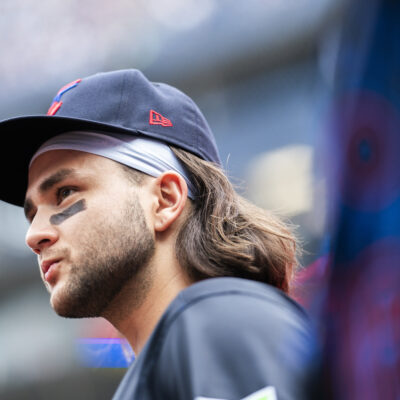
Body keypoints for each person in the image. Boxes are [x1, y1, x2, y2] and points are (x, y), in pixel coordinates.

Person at [0, 69, 317, 400]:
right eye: (32, 213)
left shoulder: (217, 321)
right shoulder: (186, 345)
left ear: (165, 200)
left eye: (65, 193)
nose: (33, 235)